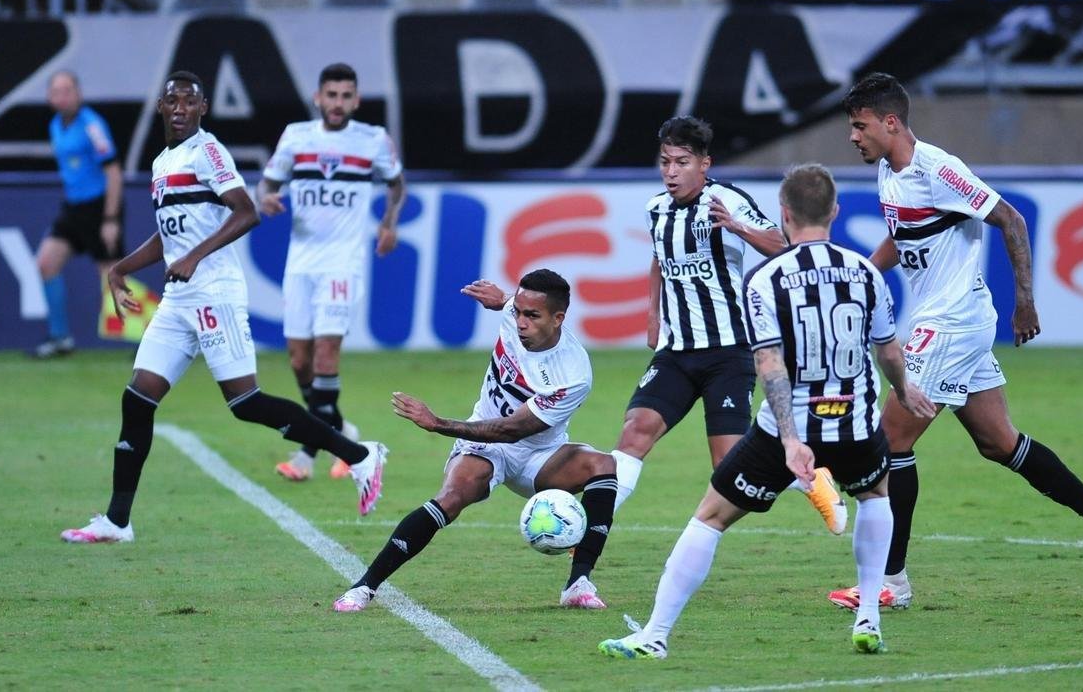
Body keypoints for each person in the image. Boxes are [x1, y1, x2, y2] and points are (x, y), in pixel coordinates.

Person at [826, 72, 1083, 609]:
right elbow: (903, 237)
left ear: (890, 121)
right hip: (947, 321)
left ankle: (891, 583)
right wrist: (861, 275)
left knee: (890, 442)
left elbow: (1011, 220)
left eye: (860, 126)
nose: (853, 136)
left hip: (951, 323)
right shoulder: (887, 172)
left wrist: (1026, 301)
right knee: (999, 442)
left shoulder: (938, 169)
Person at [599, 164, 936, 658]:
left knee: (710, 517)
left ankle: (655, 635)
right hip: (856, 424)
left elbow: (770, 364)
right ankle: (869, 616)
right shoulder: (865, 271)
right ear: (835, 211)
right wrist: (904, 390)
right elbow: (887, 349)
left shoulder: (766, 278)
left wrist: (792, 440)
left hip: (788, 430)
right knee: (875, 494)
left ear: (784, 214)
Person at [60, 70, 388, 545]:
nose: (179, 108)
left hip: (215, 293)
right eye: (172, 100)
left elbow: (246, 211)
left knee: (245, 403)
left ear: (203, 108)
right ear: (160, 107)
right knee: (138, 398)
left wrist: (195, 257)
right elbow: (169, 235)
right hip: (178, 299)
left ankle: (359, 455)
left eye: (188, 101)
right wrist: (120, 269)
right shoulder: (162, 162)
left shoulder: (208, 151)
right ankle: (117, 521)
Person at [609, 115, 847, 535]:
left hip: (728, 351)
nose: (670, 172)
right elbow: (659, 259)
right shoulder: (656, 209)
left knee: (730, 466)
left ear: (705, 164)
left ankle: (811, 478)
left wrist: (738, 227)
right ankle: (589, 528)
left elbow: (783, 243)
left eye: (682, 162)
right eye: (665, 162)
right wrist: (653, 314)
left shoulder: (728, 200)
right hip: (676, 352)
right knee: (634, 432)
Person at [332, 270, 619, 613]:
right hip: (485, 446)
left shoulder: (572, 375)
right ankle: (364, 587)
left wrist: (438, 424)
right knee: (452, 496)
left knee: (603, 465)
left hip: (539, 453)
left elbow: (511, 430)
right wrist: (501, 301)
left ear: (558, 319)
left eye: (532, 316)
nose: (521, 322)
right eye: (517, 311)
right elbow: (510, 304)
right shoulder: (515, 314)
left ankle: (578, 583)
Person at [256, 63, 406, 482]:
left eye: (345, 96)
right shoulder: (296, 136)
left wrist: (389, 223)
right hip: (300, 263)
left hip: (343, 263)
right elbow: (266, 184)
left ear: (356, 101)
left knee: (325, 355)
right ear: (317, 98)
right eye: (331, 95)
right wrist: (265, 198)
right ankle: (344, 433)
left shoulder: (372, 139)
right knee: (299, 361)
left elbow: (396, 185)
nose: (338, 103)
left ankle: (308, 456)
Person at [33, 71, 125, 358]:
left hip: (99, 207)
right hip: (73, 208)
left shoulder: (92, 126)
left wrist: (110, 219)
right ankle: (60, 338)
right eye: (56, 92)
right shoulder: (55, 125)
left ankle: (151, 338)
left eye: (68, 90)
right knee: (45, 263)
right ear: (49, 97)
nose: (62, 97)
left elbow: (114, 173)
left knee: (112, 277)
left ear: (79, 94)